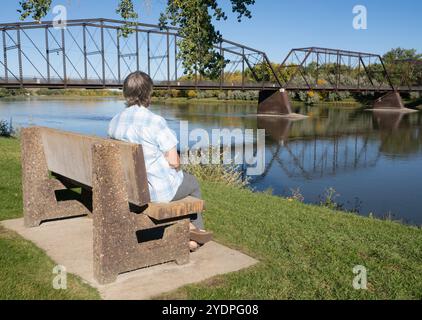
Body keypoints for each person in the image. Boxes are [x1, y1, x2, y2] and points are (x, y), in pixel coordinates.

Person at [108, 71, 212, 252]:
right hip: (155, 191)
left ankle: (188, 227)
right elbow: (174, 161)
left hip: (129, 188)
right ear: (149, 93)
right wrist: (171, 161)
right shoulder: (154, 122)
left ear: (126, 93)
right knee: (192, 182)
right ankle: (195, 235)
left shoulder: (115, 121)